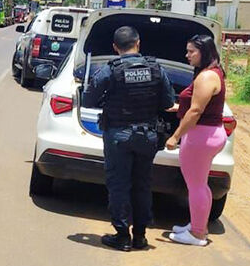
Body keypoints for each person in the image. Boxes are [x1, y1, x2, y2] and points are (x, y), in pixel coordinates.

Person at [83, 26, 175, 251]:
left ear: (115, 47)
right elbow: (167, 102)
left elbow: (88, 99)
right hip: (147, 136)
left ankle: (122, 236)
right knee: (142, 184)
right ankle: (141, 237)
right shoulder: (155, 68)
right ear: (139, 43)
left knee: (119, 185)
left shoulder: (110, 70)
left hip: (119, 136)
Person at [166, 34, 227, 247]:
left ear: (204, 51)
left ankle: (197, 234)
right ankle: (197, 226)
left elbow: (196, 111)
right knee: (201, 185)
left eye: (192, 51)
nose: (187, 55)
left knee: (196, 187)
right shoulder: (213, 72)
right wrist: (176, 108)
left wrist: (175, 136)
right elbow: (199, 106)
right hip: (209, 134)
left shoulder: (206, 77)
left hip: (201, 136)